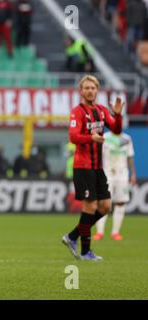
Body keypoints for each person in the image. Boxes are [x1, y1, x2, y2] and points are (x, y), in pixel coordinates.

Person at [62, 75, 123, 261]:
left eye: (93, 88)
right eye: (86, 88)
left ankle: (72, 236)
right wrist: (91, 138)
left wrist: (118, 115)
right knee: (90, 206)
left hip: (97, 167)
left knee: (105, 206)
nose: (90, 91)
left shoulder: (102, 111)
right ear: (81, 91)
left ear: (97, 91)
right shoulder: (77, 112)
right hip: (82, 166)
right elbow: (73, 137)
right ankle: (85, 251)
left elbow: (117, 131)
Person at [94, 131, 137, 240]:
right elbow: (98, 156)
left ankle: (115, 232)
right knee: (103, 202)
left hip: (122, 175)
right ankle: (99, 232)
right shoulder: (104, 137)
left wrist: (133, 174)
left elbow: (130, 157)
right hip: (107, 174)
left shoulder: (127, 138)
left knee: (121, 203)